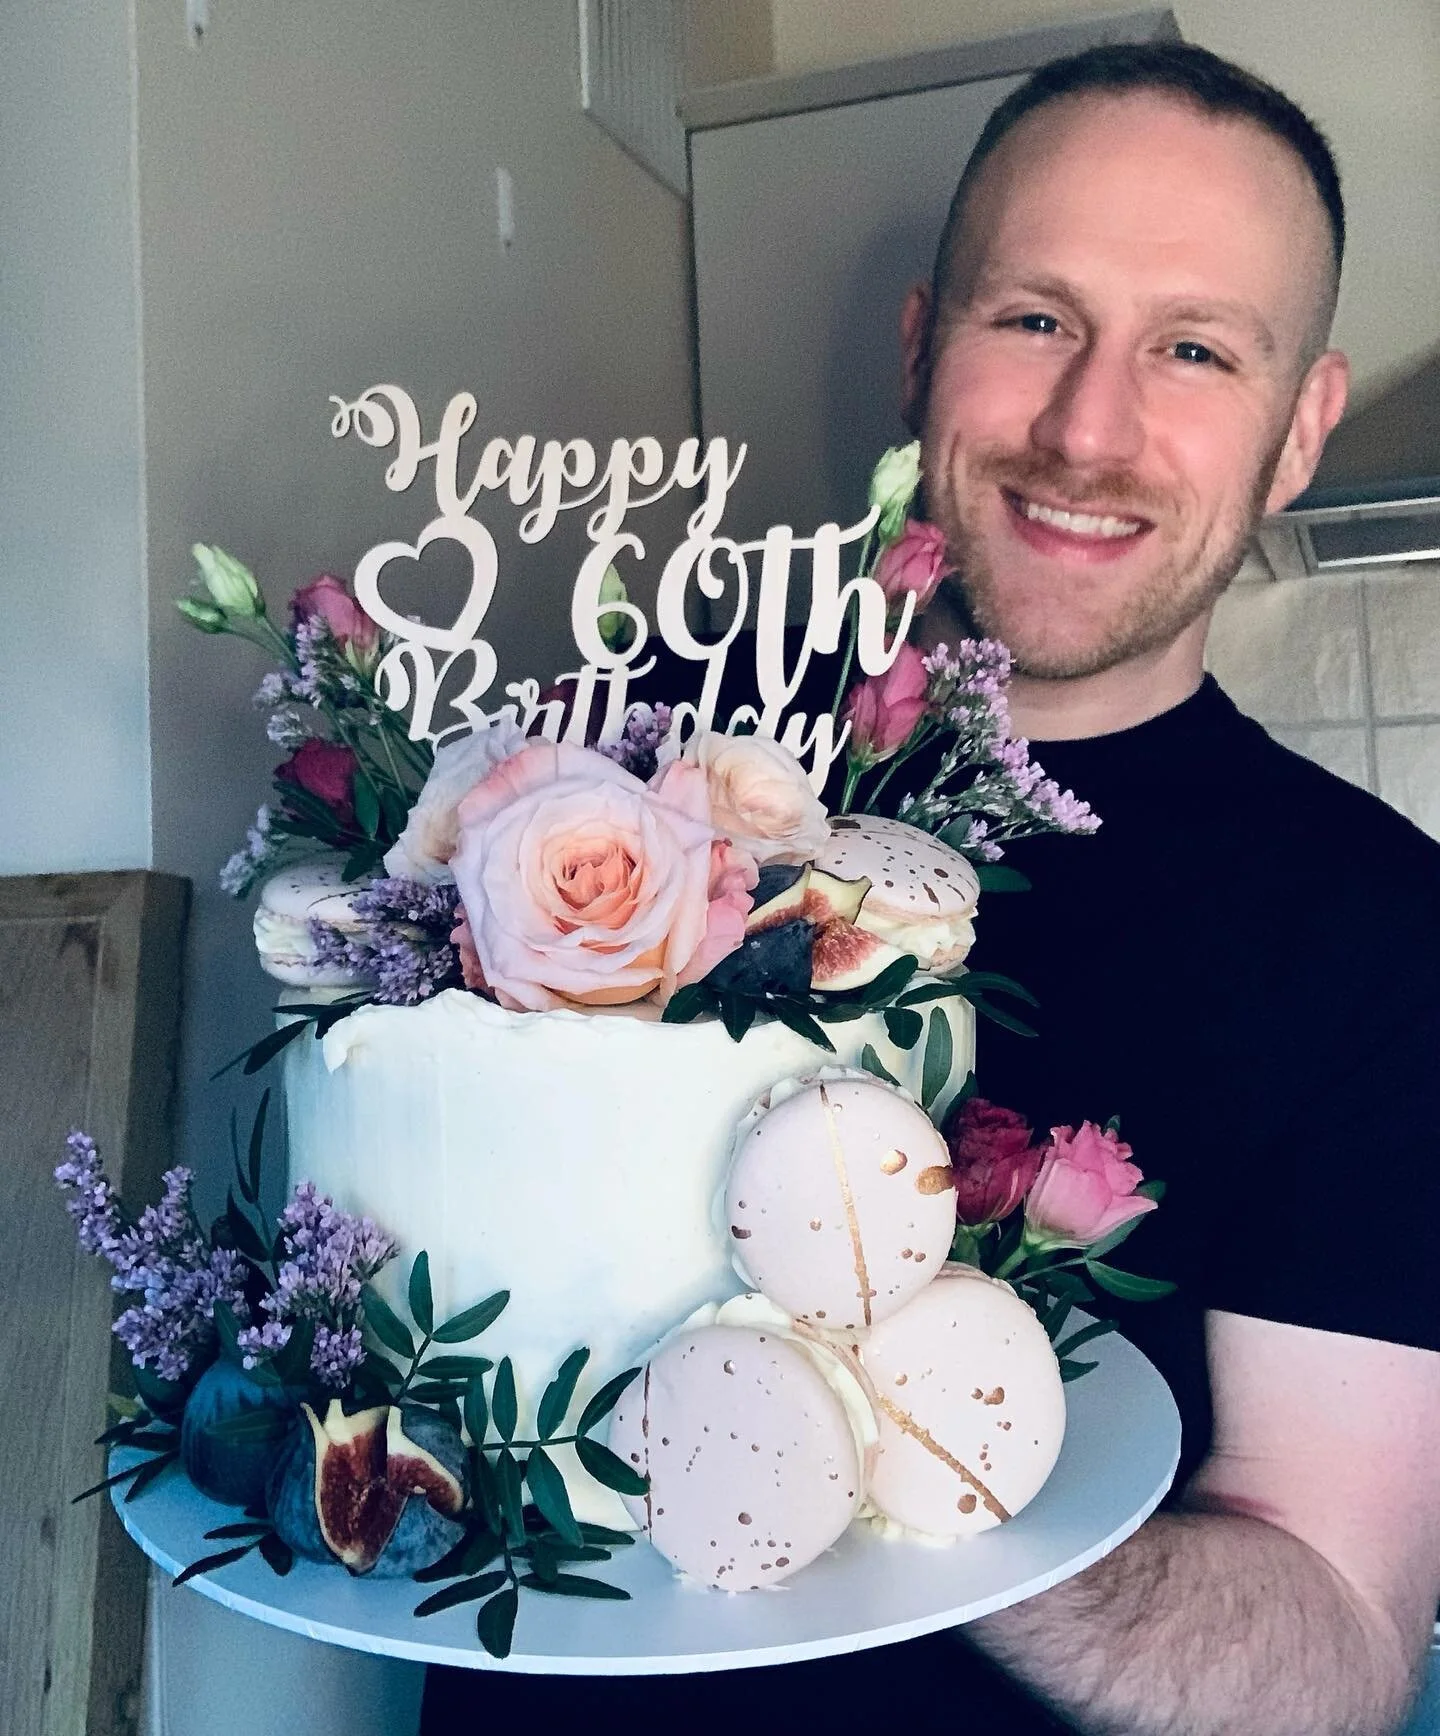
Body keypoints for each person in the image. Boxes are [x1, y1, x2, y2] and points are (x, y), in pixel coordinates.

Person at [423, 41, 1440, 1735]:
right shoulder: (617, 747)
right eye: (1034, 319)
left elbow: (1334, 1639)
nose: (1087, 428)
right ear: (920, 348)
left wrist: (910, 1447)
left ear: (1298, 431)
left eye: (1193, 348)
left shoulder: (1383, 939)